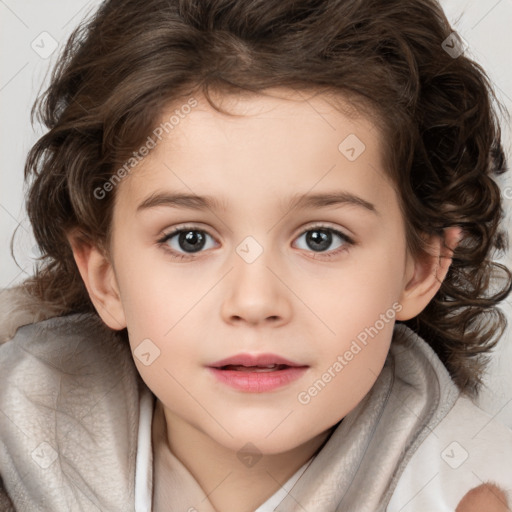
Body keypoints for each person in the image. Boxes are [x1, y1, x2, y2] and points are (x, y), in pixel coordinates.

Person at [1, 0, 511, 510]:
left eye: (320, 238)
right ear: (105, 276)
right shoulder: (16, 434)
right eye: (190, 239)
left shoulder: (470, 492)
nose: (254, 301)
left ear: (419, 267)